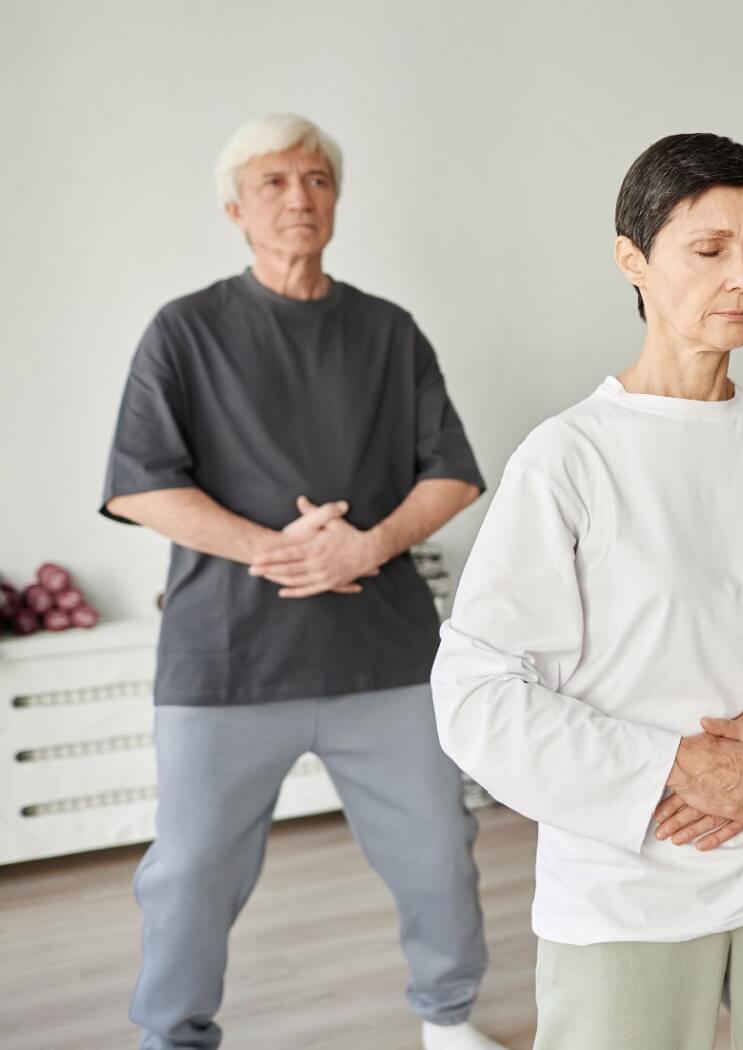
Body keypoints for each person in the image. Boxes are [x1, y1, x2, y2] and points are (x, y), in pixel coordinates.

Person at [430, 132, 743, 1050]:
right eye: (709, 250)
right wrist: (675, 768)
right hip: (629, 884)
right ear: (634, 260)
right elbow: (476, 695)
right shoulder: (566, 460)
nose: (742, 276)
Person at [102, 114, 505, 1050]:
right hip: (228, 658)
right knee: (190, 872)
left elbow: (452, 471)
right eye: (275, 183)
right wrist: (277, 550)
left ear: (336, 198)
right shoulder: (184, 331)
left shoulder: (388, 331)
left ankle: (447, 1017)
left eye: (317, 180)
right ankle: (173, 1034)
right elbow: (139, 486)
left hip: (384, 651)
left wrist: (365, 548)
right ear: (236, 207)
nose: (300, 199)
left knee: (440, 852)